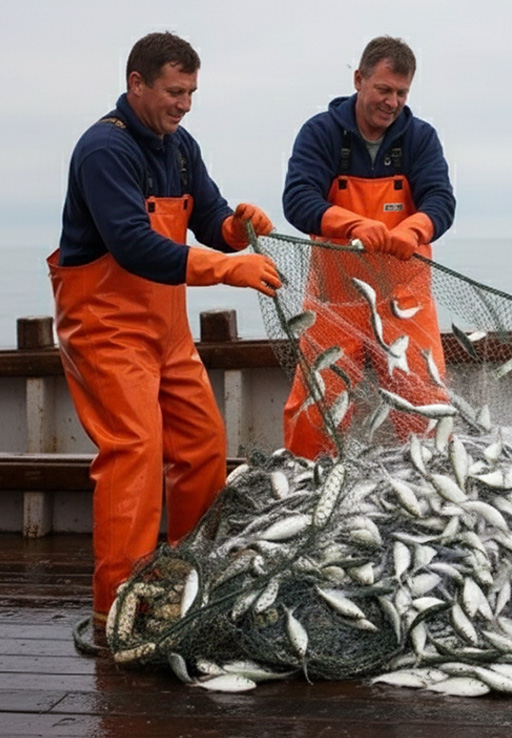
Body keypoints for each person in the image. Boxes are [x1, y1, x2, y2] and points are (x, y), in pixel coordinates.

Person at [48, 31, 282, 635]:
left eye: (192, 93)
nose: (184, 104)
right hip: (106, 328)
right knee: (134, 452)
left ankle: (186, 576)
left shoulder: (180, 147)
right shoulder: (105, 148)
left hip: (167, 332)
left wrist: (237, 228)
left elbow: (207, 218)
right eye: (175, 92)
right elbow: (132, 245)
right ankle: (116, 608)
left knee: (203, 444)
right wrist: (231, 268)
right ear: (138, 85)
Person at [282, 35, 456, 459]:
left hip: (404, 304)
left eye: (401, 92)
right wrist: (354, 223)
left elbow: (441, 201)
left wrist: (414, 228)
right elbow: (298, 199)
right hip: (333, 304)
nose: (392, 101)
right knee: (314, 417)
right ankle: (307, 491)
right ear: (359, 80)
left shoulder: (419, 138)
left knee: (426, 416)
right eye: (383, 89)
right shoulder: (321, 133)